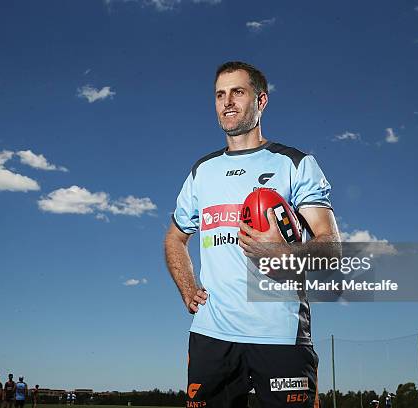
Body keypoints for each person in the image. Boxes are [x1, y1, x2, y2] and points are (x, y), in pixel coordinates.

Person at [165, 61, 340, 408]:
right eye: (220, 94)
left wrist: (281, 252)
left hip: (279, 335)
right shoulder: (202, 171)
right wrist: (188, 288)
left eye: (238, 92)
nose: (227, 101)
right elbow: (175, 237)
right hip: (211, 337)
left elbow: (332, 249)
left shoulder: (294, 164)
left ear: (260, 101)